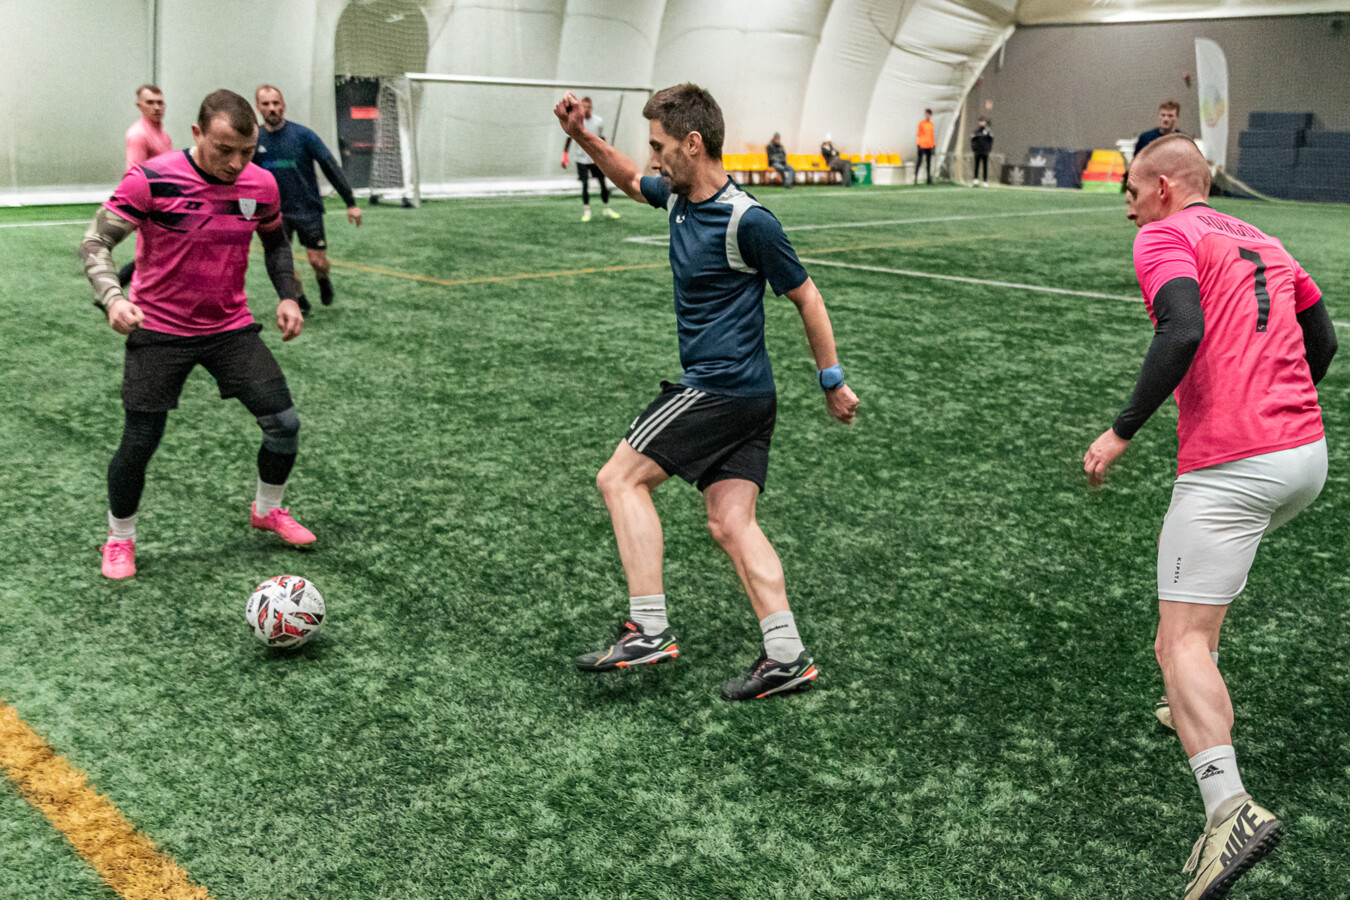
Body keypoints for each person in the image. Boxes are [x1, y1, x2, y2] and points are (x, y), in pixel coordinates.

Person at [1083, 134, 1336, 900]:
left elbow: (1182, 328)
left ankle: (1229, 809)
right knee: (1200, 604)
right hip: (1306, 458)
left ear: (1164, 187)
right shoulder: (1264, 237)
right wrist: (1279, 401)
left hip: (1235, 464)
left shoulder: (1166, 234)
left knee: (1178, 641)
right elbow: (1321, 338)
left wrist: (1121, 430)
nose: (1128, 206)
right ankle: (1191, 706)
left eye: (1132, 191)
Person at [553, 84, 859, 701]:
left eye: (660, 146)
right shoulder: (678, 198)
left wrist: (832, 381)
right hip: (750, 398)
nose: (654, 158)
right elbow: (630, 179)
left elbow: (807, 296)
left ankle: (648, 627)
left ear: (693, 143)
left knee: (619, 479)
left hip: (721, 389)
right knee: (730, 523)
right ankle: (787, 656)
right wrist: (581, 135)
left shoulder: (749, 221)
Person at [79, 89, 317, 580]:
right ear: (197, 133)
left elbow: (275, 243)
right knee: (140, 441)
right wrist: (113, 299)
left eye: (246, 152)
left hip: (229, 327)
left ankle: (267, 510)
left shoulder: (262, 184)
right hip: (159, 328)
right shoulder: (151, 179)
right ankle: (120, 539)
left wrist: (288, 296)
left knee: (284, 424)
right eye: (223, 150)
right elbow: (96, 241)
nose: (235, 164)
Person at [254, 85, 362, 316]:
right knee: (282, 264)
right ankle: (299, 298)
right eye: (266, 104)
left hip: (308, 210)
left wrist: (350, 202)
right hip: (274, 213)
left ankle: (323, 279)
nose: (272, 108)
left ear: (283, 105)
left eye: (276, 103)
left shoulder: (304, 135)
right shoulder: (254, 140)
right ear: (258, 107)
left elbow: (330, 166)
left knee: (317, 262)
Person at [118, 85, 173, 288]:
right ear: (139, 106)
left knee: (160, 254)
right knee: (152, 256)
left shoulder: (164, 136)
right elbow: (135, 175)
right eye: (150, 103)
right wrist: (139, 211)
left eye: (160, 102)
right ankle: (117, 288)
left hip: (163, 203)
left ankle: (115, 286)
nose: (156, 107)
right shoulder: (138, 135)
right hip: (149, 205)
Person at [561, 96, 620, 222]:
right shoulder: (575, 121)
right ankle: (586, 211)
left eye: (588, 107)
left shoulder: (598, 121)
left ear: (591, 108)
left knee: (603, 183)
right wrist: (564, 156)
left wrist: (608, 153)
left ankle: (606, 208)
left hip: (596, 158)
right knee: (585, 184)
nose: (586, 109)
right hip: (581, 159)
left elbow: (602, 139)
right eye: (584, 107)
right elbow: (569, 138)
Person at [971, 117, 992, 187]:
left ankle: (985, 181)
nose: (982, 123)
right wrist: (974, 149)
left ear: (985, 122)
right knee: (976, 165)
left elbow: (990, 141)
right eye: (980, 121)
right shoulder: (976, 132)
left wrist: (988, 149)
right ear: (978, 122)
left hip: (985, 152)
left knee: (985, 166)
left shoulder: (988, 132)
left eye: (983, 121)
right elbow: (973, 141)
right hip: (977, 152)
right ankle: (975, 179)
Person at [915, 108, 935, 184]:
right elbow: (918, 134)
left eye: (929, 115)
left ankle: (928, 179)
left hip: (929, 146)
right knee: (919, 161)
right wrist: (918, 144)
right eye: (926, 114)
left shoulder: (931, 124)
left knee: (928, 163)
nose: (927, 116)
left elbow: (931, 135)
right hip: (922, 145)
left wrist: (933, 145)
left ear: (930, 115)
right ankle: (915, 177)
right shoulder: (921, 123)